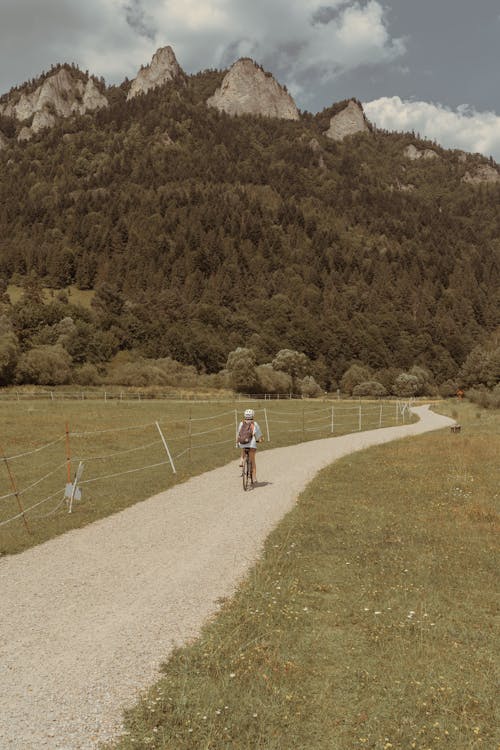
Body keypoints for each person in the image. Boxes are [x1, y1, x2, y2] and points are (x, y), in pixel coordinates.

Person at [237, 408, 263, 483]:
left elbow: (238, 434)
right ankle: (254, 477)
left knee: (243, 447)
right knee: (253, 460)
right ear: (253, 415)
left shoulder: (241, 423)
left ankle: (242, 460)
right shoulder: (255, 424)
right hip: (251, 444)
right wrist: (260, 440)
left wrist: (237, 442)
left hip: (242, 442)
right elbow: (258, 435)